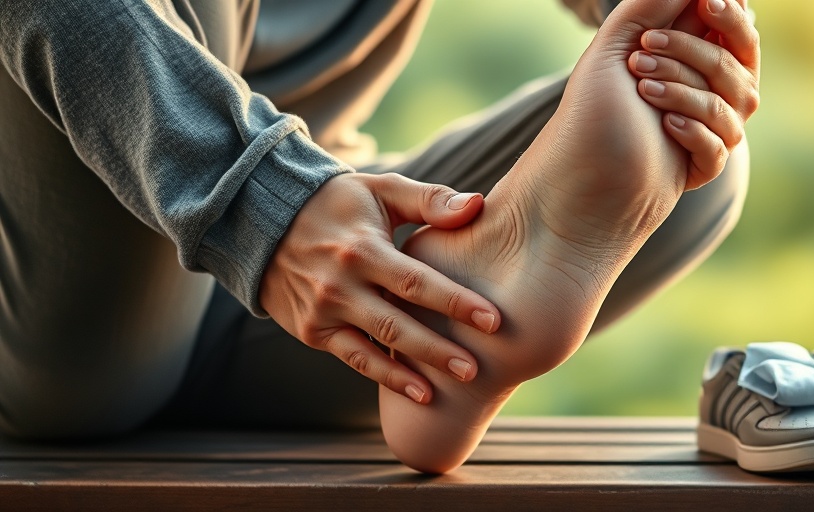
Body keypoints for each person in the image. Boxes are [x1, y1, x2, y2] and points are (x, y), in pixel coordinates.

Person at [0, 0, 758, 473]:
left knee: (687, 150)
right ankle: (434, 309)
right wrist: (263, 203)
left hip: (310, 291)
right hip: (46, 305)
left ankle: (443, 324)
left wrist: (661, 27)